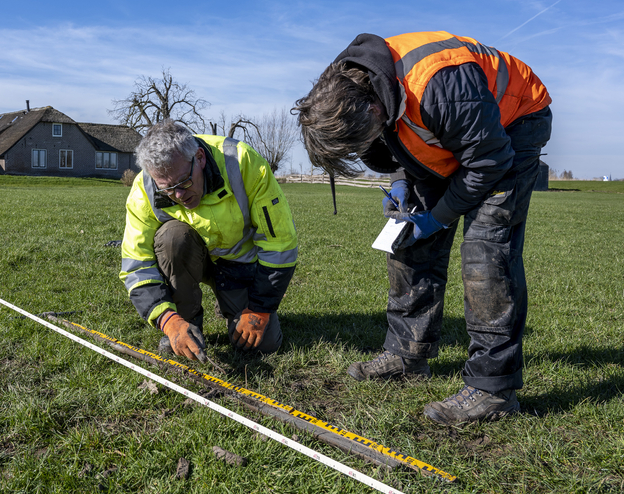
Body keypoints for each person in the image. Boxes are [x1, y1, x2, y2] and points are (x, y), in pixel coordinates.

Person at [294, 31, 552, 425]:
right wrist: (402, 183)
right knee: (406, 237)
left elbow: (487, 164)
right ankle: (406, 354)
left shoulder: (437, 85)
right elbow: (397, 136)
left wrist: (437, 218)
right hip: (456, 131)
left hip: (513, 124)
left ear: (373, 110)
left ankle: (492, 388)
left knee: (486, 252)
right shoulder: (358, 85)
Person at [119, 120, 298, 362]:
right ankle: (186, 321)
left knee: (262, 345)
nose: (179, 195)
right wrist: (168, 320)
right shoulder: (145, 189)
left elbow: (280, 246)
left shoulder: (244, 163)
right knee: (172, 238)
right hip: (186, 257)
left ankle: (231, 301)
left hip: (239, 264)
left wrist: (259, 308)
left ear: (200, 158)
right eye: (167, 189)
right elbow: (136, 265)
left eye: (183, 182)